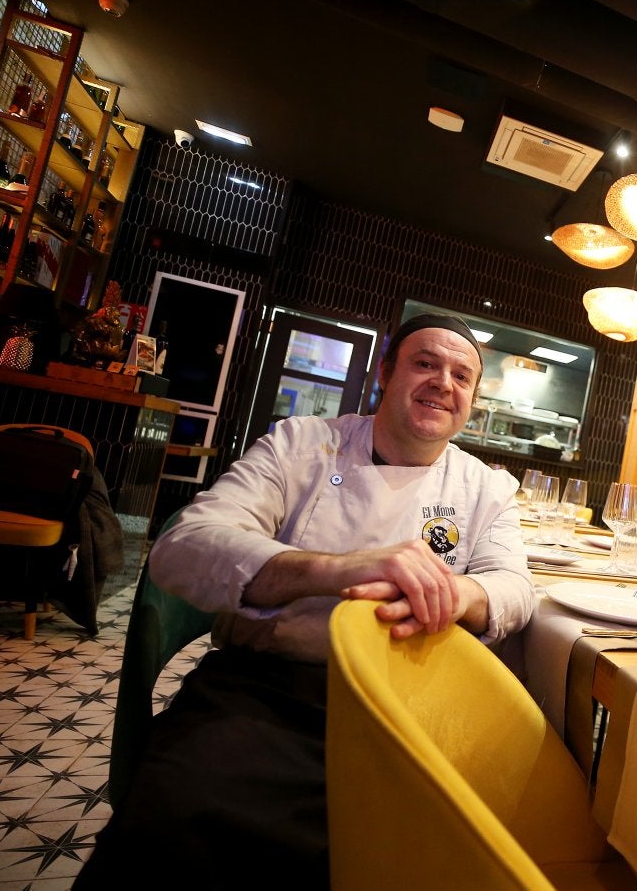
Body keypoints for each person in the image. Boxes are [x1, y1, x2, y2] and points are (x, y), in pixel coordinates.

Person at [76, 314, 535, 890]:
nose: (444, 382)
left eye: (462, 375)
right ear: (383, 375)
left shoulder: (486, 487)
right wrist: (339, 570)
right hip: (267, 695)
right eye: (425, 363)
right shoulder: (303, 445)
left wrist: (456, 591)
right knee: (167, 847)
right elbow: (183, 548)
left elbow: (515, 590)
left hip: (406, 714)